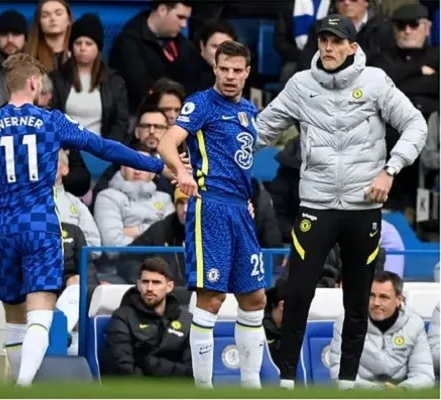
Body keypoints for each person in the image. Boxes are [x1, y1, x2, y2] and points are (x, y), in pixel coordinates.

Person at [0, 53, 176, 387]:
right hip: (40, 225)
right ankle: (24, 385)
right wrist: (158, 165)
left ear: (5, 85)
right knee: (40, 314)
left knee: (14, 316)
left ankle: (19, 380)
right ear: (34, 83)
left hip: (2, 227)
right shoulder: (51, 120)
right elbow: (103, 147)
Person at [253, 14, 428, 390]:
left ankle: (346, 384)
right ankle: (286, 381)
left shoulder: (376, 81)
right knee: (296, 294)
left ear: (352, 45)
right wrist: (211, 153)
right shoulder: (301, 85)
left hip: (363, 208)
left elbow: (417, 125)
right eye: (323, 40)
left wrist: (390, 170)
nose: (329, 48)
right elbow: (259, 131)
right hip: (316, 205)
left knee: (357, 301)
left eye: (336, 41)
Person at [157, 40, 266, 390]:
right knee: (212, 298)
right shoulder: (201, 103)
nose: (231, 76)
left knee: (254, 297)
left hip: (240, 209)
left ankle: (251, 385)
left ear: (247, 72)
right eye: (225, 69)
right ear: (215, 69)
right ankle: (204, 389)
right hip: (211, 206)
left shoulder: (250, 110)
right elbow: (167, 142)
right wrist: (182, 172)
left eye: (238, 70)